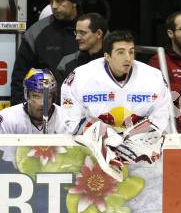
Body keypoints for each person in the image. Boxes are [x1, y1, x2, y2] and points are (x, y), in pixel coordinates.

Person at [61, 30, 172, 181]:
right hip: (90, 156)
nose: (128, 58)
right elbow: (71, 119)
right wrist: (104, 137)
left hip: (139, 154)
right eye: (120, 52)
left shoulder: (154, 77)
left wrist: (133, 139)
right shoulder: (81, 77)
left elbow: (161, 118)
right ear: (107, 56)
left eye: (131, 52)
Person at [11, 0, 79, 105]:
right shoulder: (36, 32)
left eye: (59, 0)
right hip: (47, 111)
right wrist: (19, 111)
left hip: (84, 109)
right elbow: (20, 78)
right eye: (51, 1)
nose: (53, 6)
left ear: (73, 1)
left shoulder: (92, 29)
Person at [0, 68, 65, 134]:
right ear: (27, 95)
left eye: (48, 96)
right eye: (36, 96)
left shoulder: (65, 119)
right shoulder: (8, 118)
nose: (42, 103)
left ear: (53, 98)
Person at [57, 12, 108, 83]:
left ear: (99, 34)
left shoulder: (114, 61)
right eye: (76, 32)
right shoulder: (67, 63)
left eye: (82, 33)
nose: (77, 37)